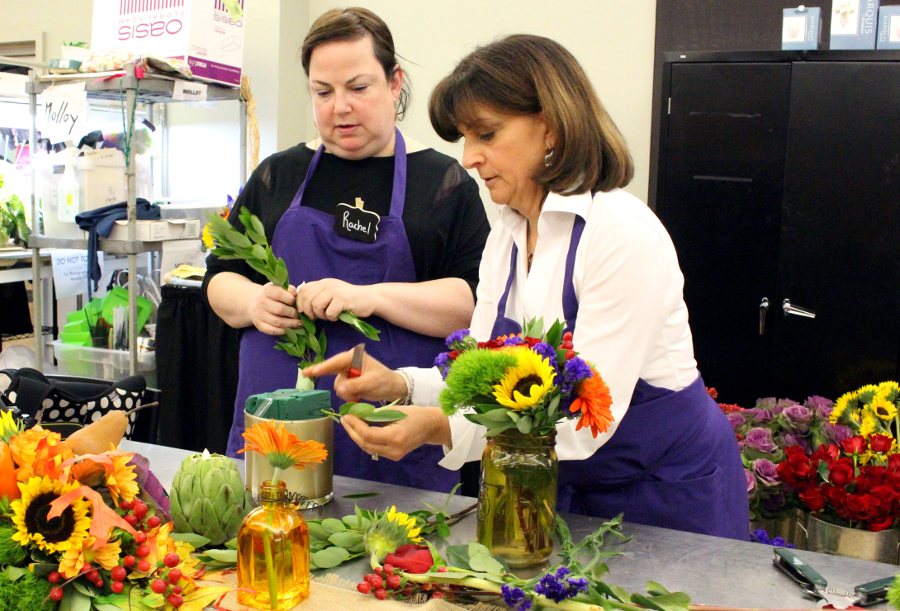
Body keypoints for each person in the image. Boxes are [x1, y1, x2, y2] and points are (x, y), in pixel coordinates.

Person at [304, 34, 749, 539]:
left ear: (551, 127)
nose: (469, 158)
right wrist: (401, 385)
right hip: (558, 483)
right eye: (464, 139)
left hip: (665, 493)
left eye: (487, 135)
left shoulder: (621, 236)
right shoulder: (509, 235)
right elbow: (483, 377)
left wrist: (438, 427)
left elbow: (585, 421)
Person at [204, 8, 490, 493]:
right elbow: (219, 280)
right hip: (277, 438)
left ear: (394, 83)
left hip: (388, 440)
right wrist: (253, 303)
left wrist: (368, 296)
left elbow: (472, 306)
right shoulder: (279, 175)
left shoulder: (442, 183)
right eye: (323, 92)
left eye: (358, 88)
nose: (340, 107)